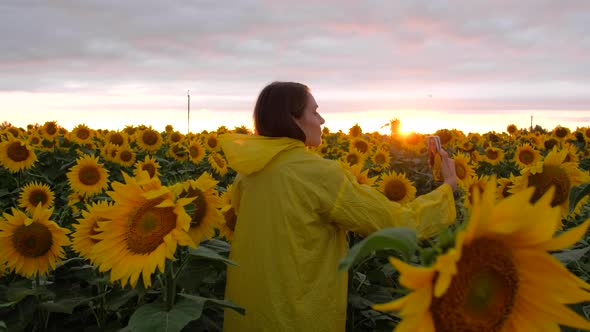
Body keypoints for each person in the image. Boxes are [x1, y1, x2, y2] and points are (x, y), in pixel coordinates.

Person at [219, 82, 457, 332]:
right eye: (314, 112)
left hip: (248, 312)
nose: (321, 120)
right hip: (296, 316)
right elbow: (397, 223)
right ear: (293, 119)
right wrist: (447, 188)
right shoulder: (319, 174)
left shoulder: (247, 171)